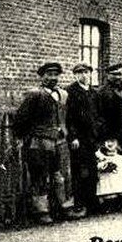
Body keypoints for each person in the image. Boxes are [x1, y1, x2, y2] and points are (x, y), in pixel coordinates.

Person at [13, 62, 84, 224]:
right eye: (49, 75)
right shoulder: (34, 95)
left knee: (62, 176)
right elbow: (21, 119)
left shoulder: (63, 94)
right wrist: (21, 138)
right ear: (42, 76)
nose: (52, 78)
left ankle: (65, 208)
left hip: (60, 141)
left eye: (55, 75)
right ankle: (42, 211)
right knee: (40, 176)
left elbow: (68, 118)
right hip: (40, 142)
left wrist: (69, 135)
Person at [66, 63, 100, 215]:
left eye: (86, 72)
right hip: (79, 138)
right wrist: (73, 136)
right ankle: (79, 203)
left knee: (92, 170)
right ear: (75, 75)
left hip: (92, 137)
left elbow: (98, 115)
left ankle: (92, 203)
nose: (83, 75)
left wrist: (98, 131)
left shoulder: (94, 93)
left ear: (90, 74)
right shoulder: (70, 92)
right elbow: (69, 117)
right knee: (79, 171)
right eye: (79, 73)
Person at [98, 64, 122, 152]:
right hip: (111, 133)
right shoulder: (102, 92)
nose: (119, 77)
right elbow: (99, 116)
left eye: (121, 74)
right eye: (115, 74)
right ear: (108, 75)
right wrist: (108, 137)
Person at [95, 138, 122, 211]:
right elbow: (99, 165)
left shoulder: (120, 157)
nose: (110, 144)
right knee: (109, 193)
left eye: (112, 142)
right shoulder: (102, 158)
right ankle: (109, 206)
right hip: (108, 180)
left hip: (120, 180)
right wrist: (105, 165)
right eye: (107, 142)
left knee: (121, 191)